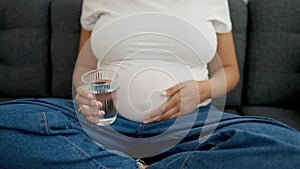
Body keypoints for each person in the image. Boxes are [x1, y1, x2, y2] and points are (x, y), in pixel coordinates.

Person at [0, 0, 300, 169]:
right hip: (107, 126)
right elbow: (87, 68)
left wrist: (203, 89)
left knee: (287, 146)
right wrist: (86, 93)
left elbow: (230, 70)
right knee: (6, 123)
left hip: (191, 125)